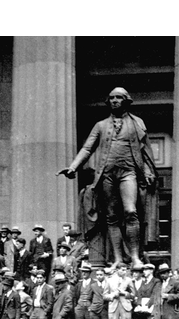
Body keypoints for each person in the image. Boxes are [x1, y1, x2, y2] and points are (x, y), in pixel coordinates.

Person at [58, 87, 158, 269]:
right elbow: (87, 148)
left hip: (129, 172)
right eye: (111, 98)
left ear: (126, 101)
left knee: (130, 211)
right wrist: (73, 167)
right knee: (112, 217)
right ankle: (118, 259)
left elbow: (144, 151)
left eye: (119, 98)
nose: (114, 101)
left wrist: (149, 171)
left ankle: (135, 257)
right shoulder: (101, 125)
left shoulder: (137, 123)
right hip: (107, 175)